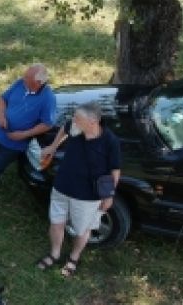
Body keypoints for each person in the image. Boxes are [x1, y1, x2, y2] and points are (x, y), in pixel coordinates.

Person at [36, 102, 121, 277]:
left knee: (82, 229)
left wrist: (109, 196)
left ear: (93, 122)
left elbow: (115, 170)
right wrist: (53, 146)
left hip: (87, 196)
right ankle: (55, 254)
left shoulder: (110, 141)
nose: (73, 120)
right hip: (62, 187)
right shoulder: (75, 127)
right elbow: (65, 129)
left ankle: (74, 258)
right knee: (56, 223)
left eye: (78, 118)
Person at [0, 64, 56, 187]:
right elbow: (2, 99)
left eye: (27, 78)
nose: (23, 79)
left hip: (14, 142)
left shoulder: (48, 98)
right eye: (25, 76)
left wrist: (23, 134)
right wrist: (1, 117)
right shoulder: (20, 83)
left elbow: (47, 124)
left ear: (39, 82)